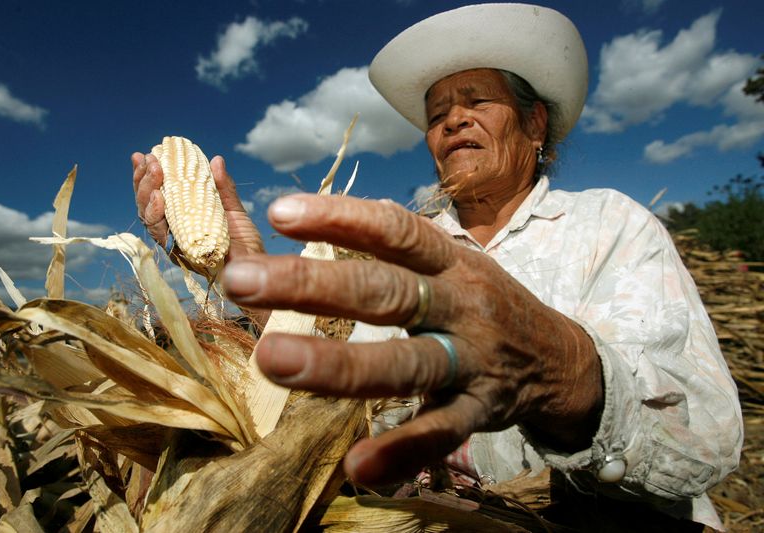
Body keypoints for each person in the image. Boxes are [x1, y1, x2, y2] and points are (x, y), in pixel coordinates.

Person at [133, 4, 742, 529]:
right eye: (437, 114)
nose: (453, 120)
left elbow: (709, 439)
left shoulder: (609, 225)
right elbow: (337, 386)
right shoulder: (404, 253)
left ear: (535, 125)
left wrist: (562, 368)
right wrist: (236, 266)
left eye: (477, 101)